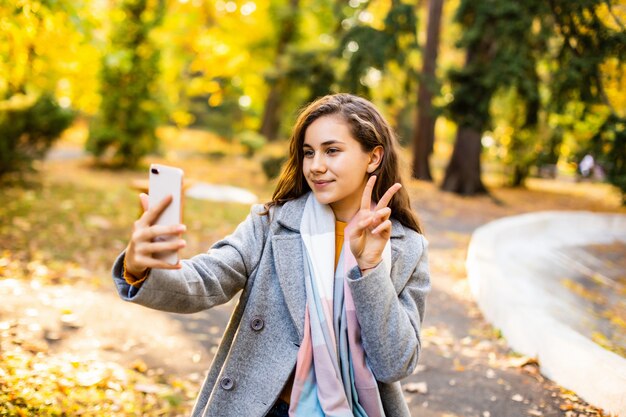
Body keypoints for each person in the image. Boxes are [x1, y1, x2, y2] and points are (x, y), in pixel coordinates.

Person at [112, 93, 431, 417]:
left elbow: (395, 364)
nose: (316, 166)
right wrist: (139, 267)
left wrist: (371, 268)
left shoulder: (407, 247)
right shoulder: (272, 224)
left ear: (373, 157)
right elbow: (209, 278)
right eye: (309, 153)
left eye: (332, 151)